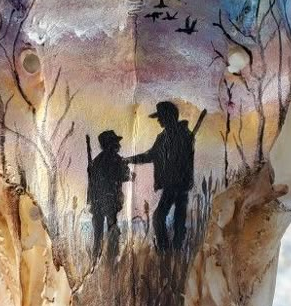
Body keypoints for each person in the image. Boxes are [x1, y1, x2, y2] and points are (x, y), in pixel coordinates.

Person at [127, 101, 205, 250]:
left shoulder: (183, 135)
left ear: (167, 117)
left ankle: (171, 252)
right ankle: (169, 252)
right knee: (168, 218)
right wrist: (130, 160)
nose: (159, 120)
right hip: (174, 184)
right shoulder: (165, 137)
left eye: (161, 117)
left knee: (171, 219)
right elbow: (151, 155)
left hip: (178, 184)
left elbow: (183, 158)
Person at [87, 130, 132, 257]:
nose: (119, 145)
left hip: (96, 204)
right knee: (112, 233)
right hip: (110, 203)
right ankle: (112, 262)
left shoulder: (96, 161)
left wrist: (90, 203)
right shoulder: (117, 160)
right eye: (116, 142)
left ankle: (96, 261)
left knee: (98, 237)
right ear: (111, 144)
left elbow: (91, 185)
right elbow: (126, 175)